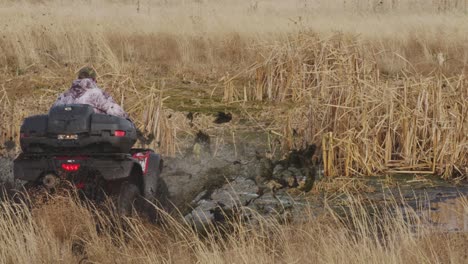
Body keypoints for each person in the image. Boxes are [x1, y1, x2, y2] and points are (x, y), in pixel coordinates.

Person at [53, 67, 128, 119]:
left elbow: (53, 111)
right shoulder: (95, 94)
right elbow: (112, 109)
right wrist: (126, 118)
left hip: (66, 133)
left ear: (78, 78)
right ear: (94, 79)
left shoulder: (64, 96)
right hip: (91, 135)